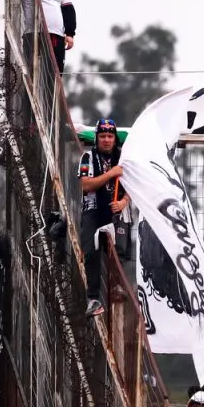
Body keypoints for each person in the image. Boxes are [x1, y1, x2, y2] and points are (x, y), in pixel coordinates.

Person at [78, 118, 129, 317]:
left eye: (110, 136)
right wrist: (110, 174)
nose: (106, 140)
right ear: (97, 138)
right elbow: (86, 185)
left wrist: (124, 201)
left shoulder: (123, 158)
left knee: (119, 254)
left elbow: (134, 184)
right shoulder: (87, 157)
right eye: (102, 136)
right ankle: (93, 298)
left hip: (118, 210)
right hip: (92, 209)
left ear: (115, 138)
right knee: (90, 252)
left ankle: (118, 289)